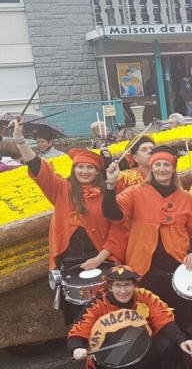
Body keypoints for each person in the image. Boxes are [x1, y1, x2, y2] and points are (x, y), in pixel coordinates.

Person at [13, 119, 116, 323]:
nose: (85, 171)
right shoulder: (60, 189)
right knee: (76, 314)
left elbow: (117, 230)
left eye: (90, 168)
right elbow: (38, 167)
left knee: (106, 309)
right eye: (80, 167)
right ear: (74, 169)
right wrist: (20, 140)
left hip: (100, 257)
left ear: (97, 173)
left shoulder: (107, 194)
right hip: (69, 261)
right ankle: (79, 347)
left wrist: (100, 258)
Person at [103, 145, 192, 336]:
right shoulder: (135, 192)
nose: (162, 169)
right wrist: (110, 186)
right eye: (157, 164)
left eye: (166, 165)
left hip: (179, 268)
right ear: (151, 167)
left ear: (173, 168)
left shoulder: (185, 197)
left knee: (185, 319)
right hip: (145, 269)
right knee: (150, 321)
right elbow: (112, 213)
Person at [68, 265, 192, 369]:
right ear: (109, 287)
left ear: (135, 285)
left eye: (127, 285)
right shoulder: (97, 304)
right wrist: (77, 346)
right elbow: (79, 328)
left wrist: (181, 340)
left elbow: (164, 319)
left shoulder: (145, 297)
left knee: (169, 344)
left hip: (142, 350)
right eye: (118, 285)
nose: (123, 291)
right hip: (114, 361)